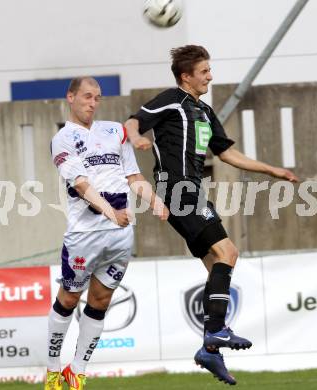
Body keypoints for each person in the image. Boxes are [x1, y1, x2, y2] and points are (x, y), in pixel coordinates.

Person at [124, 45, 298, 385]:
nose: (210, 76)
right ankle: (216, 332)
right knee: (228, 253)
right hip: (177, 189)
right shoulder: (171, 99)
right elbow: (133, 121)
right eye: (204, 71)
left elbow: (227, 153)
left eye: (209, 70)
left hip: (193, 190)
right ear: (186, 76)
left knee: (216, 265)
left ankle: (210, 351)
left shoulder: (203, 110)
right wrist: (134, 138)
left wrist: (271, 169)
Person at [45, 77, 169, 390]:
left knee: (100, 300)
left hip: (120, 234)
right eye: (87, 96)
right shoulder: (63, 139)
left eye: (97, 97)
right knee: (70, 297)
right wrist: (111, 212)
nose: (92, 102)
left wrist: (155, 202)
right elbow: (81, 185)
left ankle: (77, 372)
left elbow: (133, 175)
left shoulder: (115, 130)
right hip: (86, 234)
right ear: (70, 97)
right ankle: (51, 369)